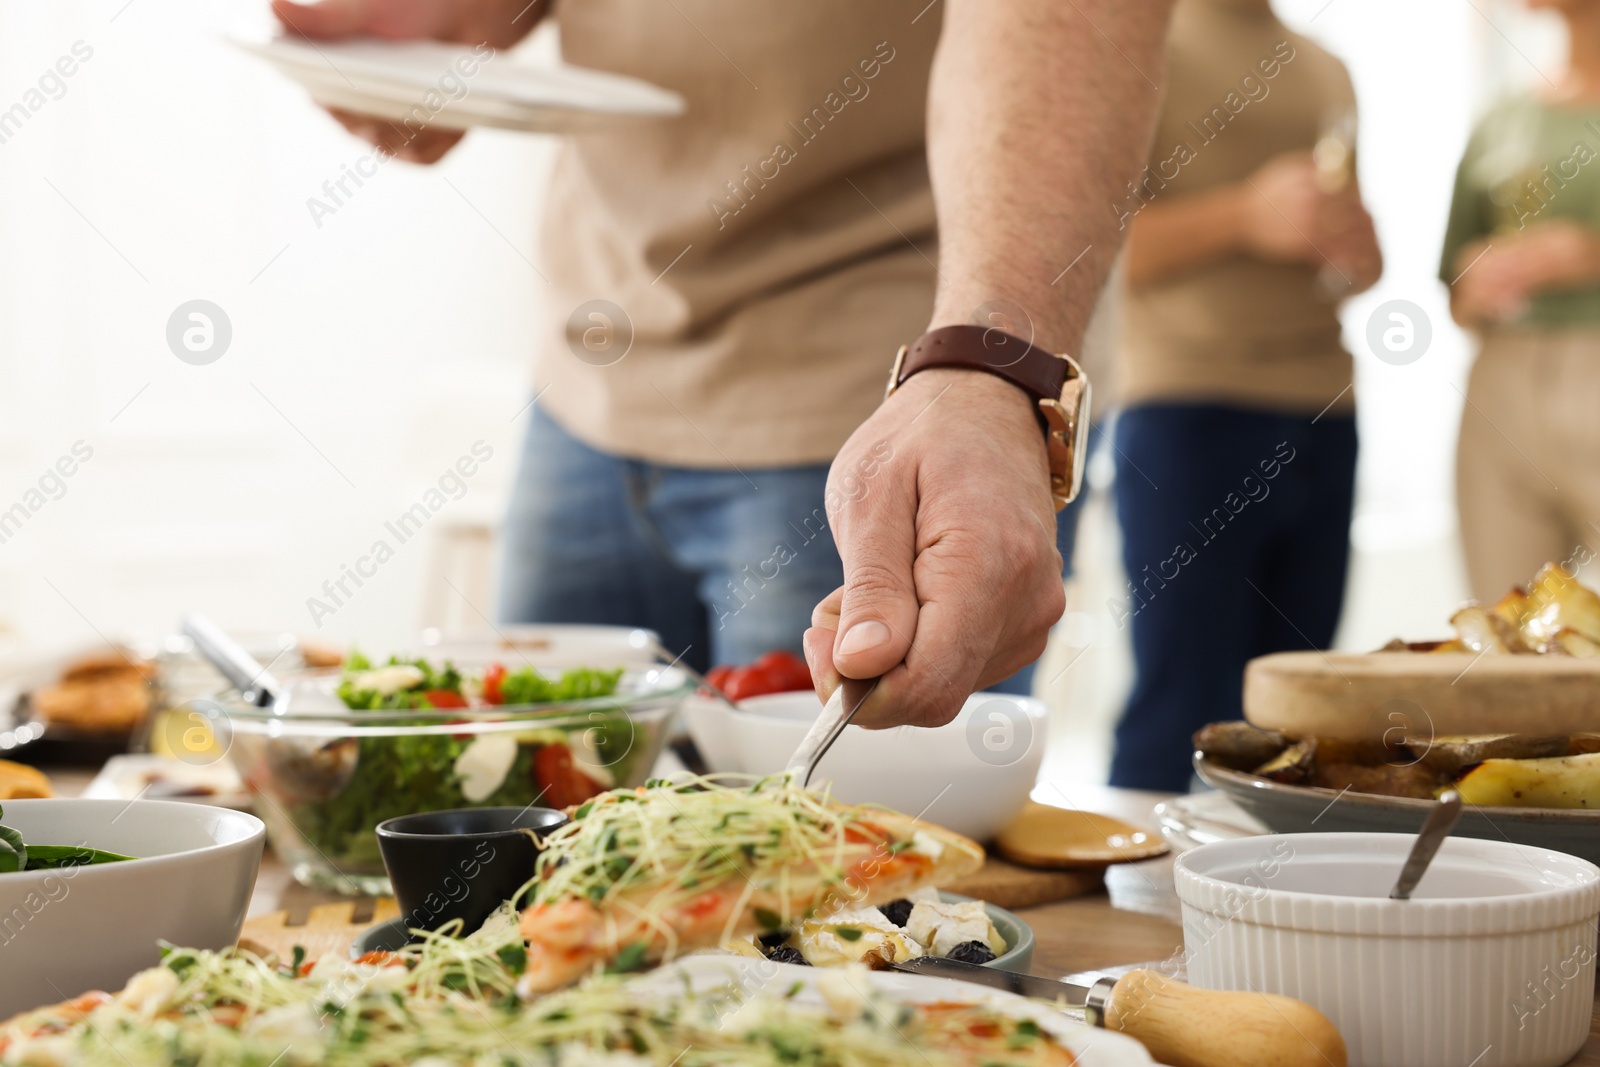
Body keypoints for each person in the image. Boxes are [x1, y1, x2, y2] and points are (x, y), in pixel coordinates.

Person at [274, 0, 1173, 730]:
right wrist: (437, 27)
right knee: (527, 877)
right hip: (592, 373)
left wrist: (990, 363)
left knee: (854, 915)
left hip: (877, 403)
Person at [1103, 0, 1381, 791]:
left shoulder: (1327, 67)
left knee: (1296, 718)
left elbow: (1359, 259)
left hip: (1326, 409)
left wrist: (1356, 246)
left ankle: (1268, 906)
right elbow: (1095, 251)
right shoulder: (1136, 47)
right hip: (1189, 408)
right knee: (1180, 702)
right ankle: (1132, 910)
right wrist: (1245, 215)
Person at [1442, 0, 1600, 602]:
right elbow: (1453, 291)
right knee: (1503, 633)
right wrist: (1476, 280)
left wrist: (1590, 255)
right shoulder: (1502, 117)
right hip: (1501, 386)